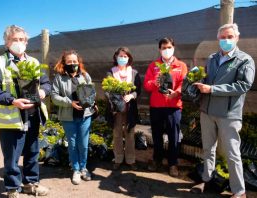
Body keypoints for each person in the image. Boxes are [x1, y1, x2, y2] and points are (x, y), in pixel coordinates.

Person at [190, 23, 255, 198]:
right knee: (208, 149)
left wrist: (212, 89)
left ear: (237, 38)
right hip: (207, 111)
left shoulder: (245, 60)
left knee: (232, 153)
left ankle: (239, 191)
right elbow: (208, 79)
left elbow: (243, 85)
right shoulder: (212, 59)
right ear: (218, 39)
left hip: (229, 114)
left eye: (230, 37)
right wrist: (196, 80)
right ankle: (207, 179)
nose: (226, 40)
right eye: (223, 37)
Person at [0, 25, 50, 197]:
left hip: (32, 115)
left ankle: (30, 183)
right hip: (11, 118)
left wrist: (42, 92)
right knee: (11, 156)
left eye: (22, 39)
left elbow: (47, 83)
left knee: (32, 152)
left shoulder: (33, 62)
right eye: (14, 39)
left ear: (26, 42)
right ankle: (12, 188)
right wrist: (12, 101)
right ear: (7, 42)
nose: (19, 43)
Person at [144, 37, 187, 177]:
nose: (166, 50)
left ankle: (173, 163)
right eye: (163, 48)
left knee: (173, 136)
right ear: (159, 50)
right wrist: (155, 82)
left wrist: (177, 93)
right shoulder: (153, 65)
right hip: (156, 106)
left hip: (174, 107)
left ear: (173, 48)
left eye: (169, 47)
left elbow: (184, 84)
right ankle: (157, 160)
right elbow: (146, 85)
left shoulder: (181, 65)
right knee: (156, 135)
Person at [51, 50, 96, 185]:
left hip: (85, 115)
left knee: (83, 144)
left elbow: (92, 93)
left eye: (74, 62)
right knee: (72, 143)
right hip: (68, 116)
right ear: (64, 63)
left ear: (78, 62)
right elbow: (54, 96)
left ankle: (83, 168)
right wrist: (69, 103)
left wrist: (90, 102)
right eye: (69, 62)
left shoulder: (85, 75)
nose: (72, 64)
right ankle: (75, 169)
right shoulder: (59, 77)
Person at [105, 47, 141, 170]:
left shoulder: (134, 73)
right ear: (116, 57)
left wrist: (131, 95)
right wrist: (114, 98)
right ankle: (118, 158)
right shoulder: (111, 72)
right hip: (116, 111)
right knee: (117, 134)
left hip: (130, 109)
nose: (122, 58)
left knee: (130, 134)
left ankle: (131, 160)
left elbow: (138, 91)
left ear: (129, 58)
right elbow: (107, 90)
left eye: (125, 56)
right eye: (120, 56)